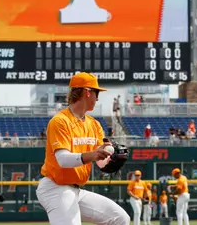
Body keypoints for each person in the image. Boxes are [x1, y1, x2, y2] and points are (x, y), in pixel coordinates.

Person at [35, 72, 130, 225]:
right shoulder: (60, 121)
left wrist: (111, 159)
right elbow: (63, 160)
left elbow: (99, 160)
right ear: (87, 92)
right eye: (96, 92)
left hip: (76, 190)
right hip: (54, 188)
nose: (97, 97)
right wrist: (94, 155)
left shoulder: (94, 124)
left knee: (120, 219)